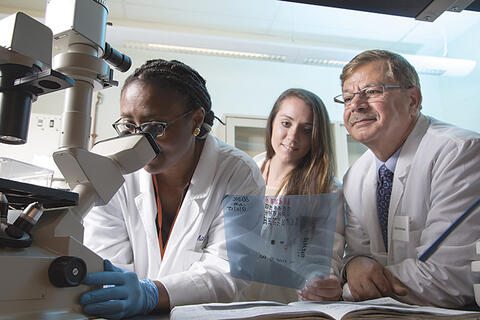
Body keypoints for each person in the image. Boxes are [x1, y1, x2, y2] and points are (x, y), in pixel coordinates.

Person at [79, 59, 265, 319]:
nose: (139, 141)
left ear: (196, 120)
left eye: (155, 127)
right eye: (129, 126)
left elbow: (229, 271)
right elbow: (106, 263)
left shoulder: (237, 172)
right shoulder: (114, 170)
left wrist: (151, 294)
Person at [335, 49, 480, 308]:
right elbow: (359, 254)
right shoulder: (354, 177)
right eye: (347, 97)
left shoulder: (461, 152)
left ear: (413, 100)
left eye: (371, 91)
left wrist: (351, 287)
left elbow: (452, 277)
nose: (356, 105)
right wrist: (353, 265)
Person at [240, 88, 345, 303]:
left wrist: (320, 283)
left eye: (306, 130)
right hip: (235, 302)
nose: (293, 136)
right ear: (272, 123)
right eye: (286, 123)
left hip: (289, 307)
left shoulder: (327, 189)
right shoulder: (243, 173)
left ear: (316, 137)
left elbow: (326, 258)